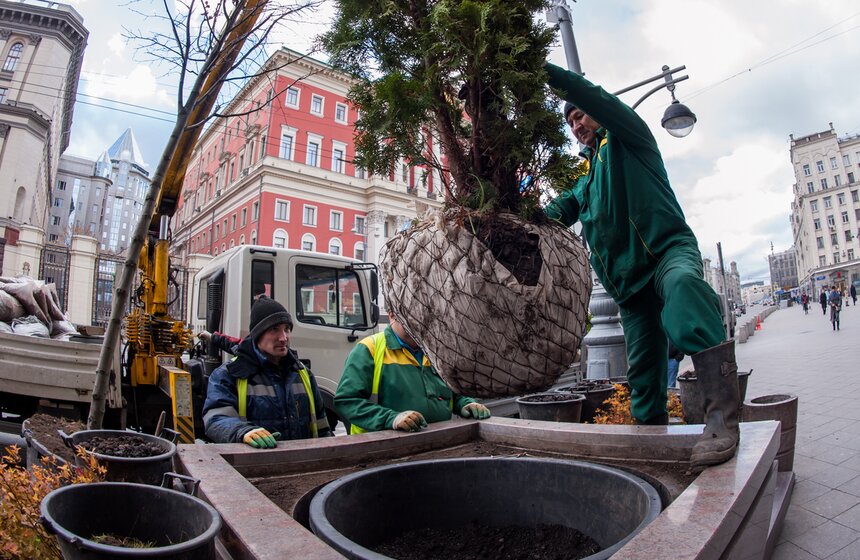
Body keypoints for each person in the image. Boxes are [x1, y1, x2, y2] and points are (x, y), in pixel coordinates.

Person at [543, 63, 739, 469]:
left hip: (666, 252)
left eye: (580, 114)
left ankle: (721, 417)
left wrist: (543, 72)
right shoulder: (586, 178)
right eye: (571, 121)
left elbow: (595, 95)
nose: (576, 124)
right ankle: (653, 439)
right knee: (644, 374)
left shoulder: (629, 136)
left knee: (684, 287)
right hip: (630, 287)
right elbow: (558, 211)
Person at [335, 309, 491, 433]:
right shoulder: (369, 350)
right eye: (410, 316)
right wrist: (391, 419)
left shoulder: (437, 351)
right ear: (391, 314)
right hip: (379, 452)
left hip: (436, 446)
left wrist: (466, 403)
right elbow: (347, 401)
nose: (418, 323)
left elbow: (452, 393)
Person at [203, 296, 332, 447]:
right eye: (274, 329)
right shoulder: (228, 375)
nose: (283, 337)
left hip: (301, 465)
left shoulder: (303, 373)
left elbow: (322, 427)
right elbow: (215, 418)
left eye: (287, 329)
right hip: (251, 467)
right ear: (258, 335)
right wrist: (242, 431)